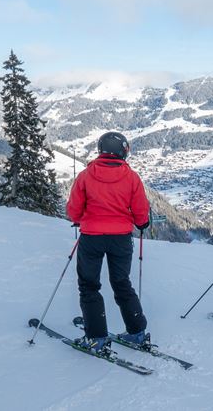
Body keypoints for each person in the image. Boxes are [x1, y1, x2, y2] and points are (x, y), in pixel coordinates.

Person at [66, 132, 151, 356]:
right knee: (122, 282)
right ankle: (136, 332)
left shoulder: (85, 176)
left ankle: (96, 338)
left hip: (91, 237)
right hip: (121, 238)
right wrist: (141, 224)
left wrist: (79, 219)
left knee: (89, 286)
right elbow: (141, 211)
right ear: (123, 151)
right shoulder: (131, 177)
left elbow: (73, 209)